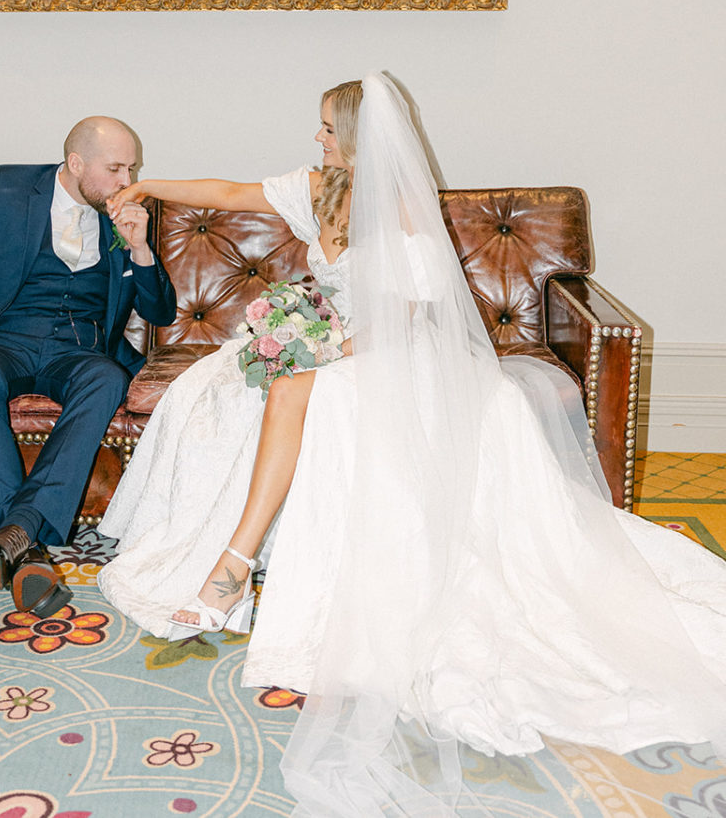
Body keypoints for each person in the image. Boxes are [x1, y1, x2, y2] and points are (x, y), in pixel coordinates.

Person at [98, 76, 726, 817]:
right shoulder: (318, 189)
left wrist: (318, 351)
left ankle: (231, 567)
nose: (317, 138)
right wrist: (147, 188)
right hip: (341, 344)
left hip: (399, 357)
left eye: (327, 129)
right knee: (222, 387)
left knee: (295, 390)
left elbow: (400, 324)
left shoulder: (404, 219)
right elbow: (229, 192)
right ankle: (234, 554)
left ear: (359, 138)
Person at [0, 116, 176, 623]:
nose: (126, 180)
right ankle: (25, 545)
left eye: (131, 168)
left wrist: (139, 247)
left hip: (79, 348)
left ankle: (10, 536)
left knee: (107, 378)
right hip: (0, 340)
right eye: (115, 168)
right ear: (76, 163)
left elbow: (160, 312)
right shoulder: (7, 187)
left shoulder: (127, 212)